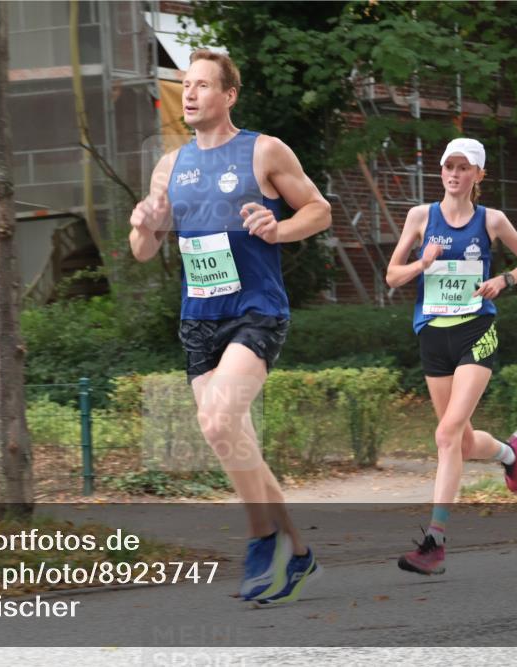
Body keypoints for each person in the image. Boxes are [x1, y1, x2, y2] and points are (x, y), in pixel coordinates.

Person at [129, 50, 331, 605]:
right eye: (185, 86)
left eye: (201, 85)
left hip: (256, 310)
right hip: (200, 319)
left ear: (229, 95)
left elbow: (319, 210)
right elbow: (144, 249)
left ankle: (261, 539)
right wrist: (144, 226)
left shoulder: (262, 150)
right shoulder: (170, 165)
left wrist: (279, 227)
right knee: (233, 439)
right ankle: (301, 555)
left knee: (219, 422)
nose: (188, 94)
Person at [385, 137, 517, 575]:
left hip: (477, 333)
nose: (454, 174)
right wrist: (423, 264)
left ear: (477, 175)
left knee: (445, 435)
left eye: (463, 167)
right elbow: (392, 277)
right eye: (448, 166)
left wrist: (503, 281)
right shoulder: (420, 217)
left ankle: (434, 541)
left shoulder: (492, 220)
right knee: (463, 441)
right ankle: (511, 455)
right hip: (433, 336)